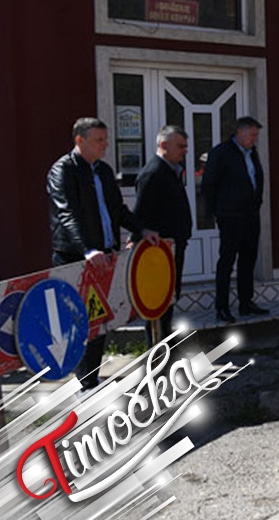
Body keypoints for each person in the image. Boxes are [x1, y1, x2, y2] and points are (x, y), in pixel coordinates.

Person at [48, 117, 159, 390]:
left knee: (99, 322)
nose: (105, 145)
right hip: (76, 257)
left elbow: (118, 210)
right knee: (79, 321)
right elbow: (67, 214)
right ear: (80, 141)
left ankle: (90, 378)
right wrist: (87, 249)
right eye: (99, 140)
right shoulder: (63, 170)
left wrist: (142, 230)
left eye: (106, 139)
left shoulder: (104, 171)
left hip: (104, 256)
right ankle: (82, 381)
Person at [202, 116, 268, 324]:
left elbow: (256, 178)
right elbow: (209, 184)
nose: (254, 139)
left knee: (248, 260)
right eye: (252, 135)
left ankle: (246, 302)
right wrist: (213, 212)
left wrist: (257, 202)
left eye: (256, 136)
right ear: (240, 132)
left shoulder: (252, 153)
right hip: (230, 216)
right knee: (227, 261)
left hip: (250, 215)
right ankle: (222, 307)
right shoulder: (221, 153)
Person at [134, 125, 192, 345]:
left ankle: (165, 343)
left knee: (169, 297)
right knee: (157, 299)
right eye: (180, 146)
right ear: (164, 145)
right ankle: (156, 350)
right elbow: (141, 215)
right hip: (158, 250)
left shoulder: (172, 170)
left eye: (186, 146)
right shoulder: (153, 173)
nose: (185, 150)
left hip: (174, 246)